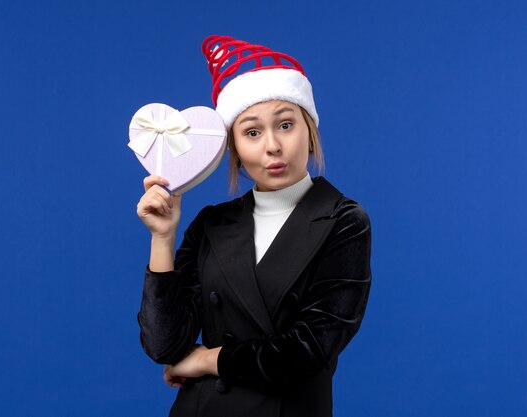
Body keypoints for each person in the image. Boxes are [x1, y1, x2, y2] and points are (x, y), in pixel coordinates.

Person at [136, 35, 372, 417]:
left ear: (309, 132)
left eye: (285, 125)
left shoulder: (343, 221)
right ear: (234, 148)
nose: (273, 146)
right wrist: (162, 238)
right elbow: (163, 345)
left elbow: (308, 350)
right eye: (252, 132)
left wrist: (206, 361)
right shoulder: (212, 223)